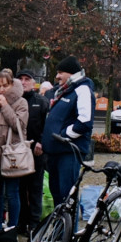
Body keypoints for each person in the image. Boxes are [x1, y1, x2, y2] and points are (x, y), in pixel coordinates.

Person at [41, 56, 95, 206]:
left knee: (67, 197)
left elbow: (84, 122)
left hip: (69, 151)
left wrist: (63, 135)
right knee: (57, 195)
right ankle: (59, 222)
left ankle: (69, 222)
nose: (57, 76)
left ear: (71, 73)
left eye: (60, 72)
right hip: (55, 151)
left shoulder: (82, 89)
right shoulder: (64, 90)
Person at [0, 69, 29, 231]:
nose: (1, 89)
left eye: (5, 86)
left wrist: (5, 106)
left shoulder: (21, 102)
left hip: (12, 154)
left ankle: (12, 227)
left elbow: (20, 125)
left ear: (11, 85)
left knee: (12, 193)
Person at [16, 70, 49, 234]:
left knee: (35, 188)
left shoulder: (41, 102)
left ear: (33, 82)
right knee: (19, 189)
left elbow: (48, 125)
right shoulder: (13, 100)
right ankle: (21, 223)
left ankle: (34, 223)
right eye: (20, 79)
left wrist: (42, 142)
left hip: (36, 152)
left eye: (27, 79)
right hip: (17, 152)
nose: (23, 82)